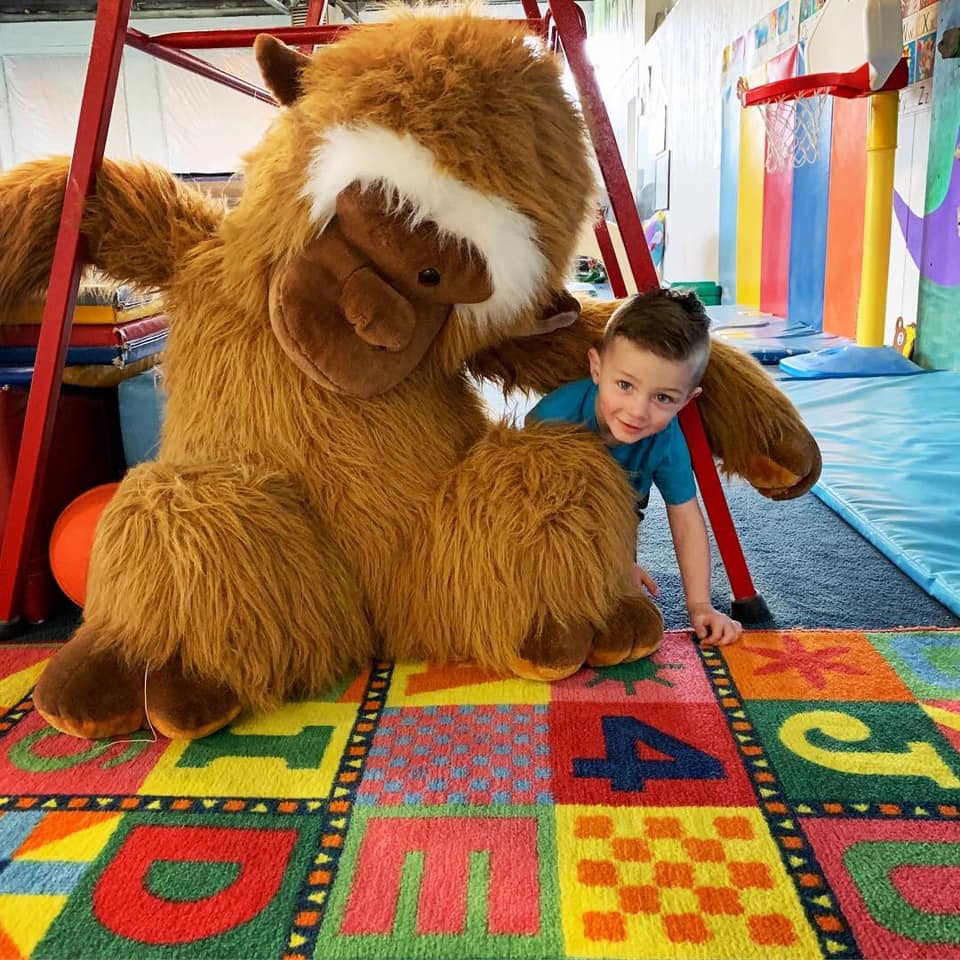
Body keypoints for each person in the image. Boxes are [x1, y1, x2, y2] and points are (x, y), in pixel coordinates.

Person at [525, 288, 742, 646]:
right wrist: (602, 564)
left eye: (662, 398)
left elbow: (686, 519)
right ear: (597, 368)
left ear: (687, 401)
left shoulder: (667, 440)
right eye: (625, 385)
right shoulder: (553, 419)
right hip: (547, 526)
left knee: (621, 613)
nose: (638, 412)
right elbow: (523, 507)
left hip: (615, 532)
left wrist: (700, 605)